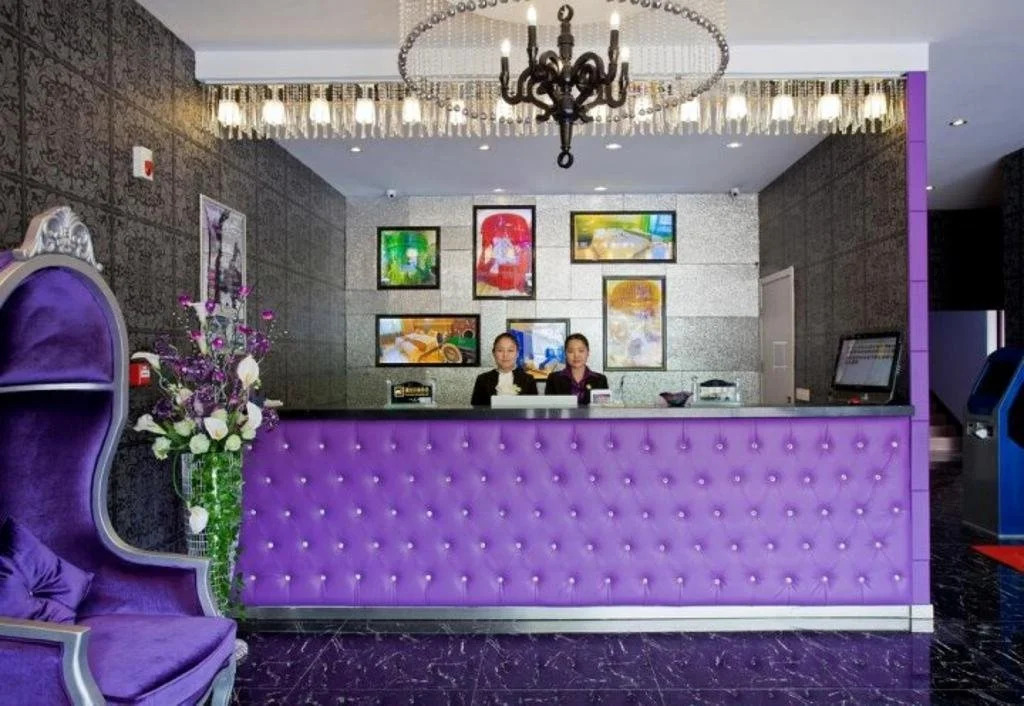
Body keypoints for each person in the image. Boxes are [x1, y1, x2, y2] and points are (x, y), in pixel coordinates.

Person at [470, 332, 539, 406]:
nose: (505, 355)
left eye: (510, 350)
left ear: (517, 353)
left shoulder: (528, 380)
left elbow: (534, 408)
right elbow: (476, 409)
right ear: (494, 353)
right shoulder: (482, 379)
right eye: (500, 350)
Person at [544, 333, 609, 405]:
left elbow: (603, 409)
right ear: (565, 354)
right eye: (570, 351)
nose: (576, 355)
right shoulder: (553, 379)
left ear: (588, 353)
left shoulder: (600, 380)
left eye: (581, 351)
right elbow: (549, 408)